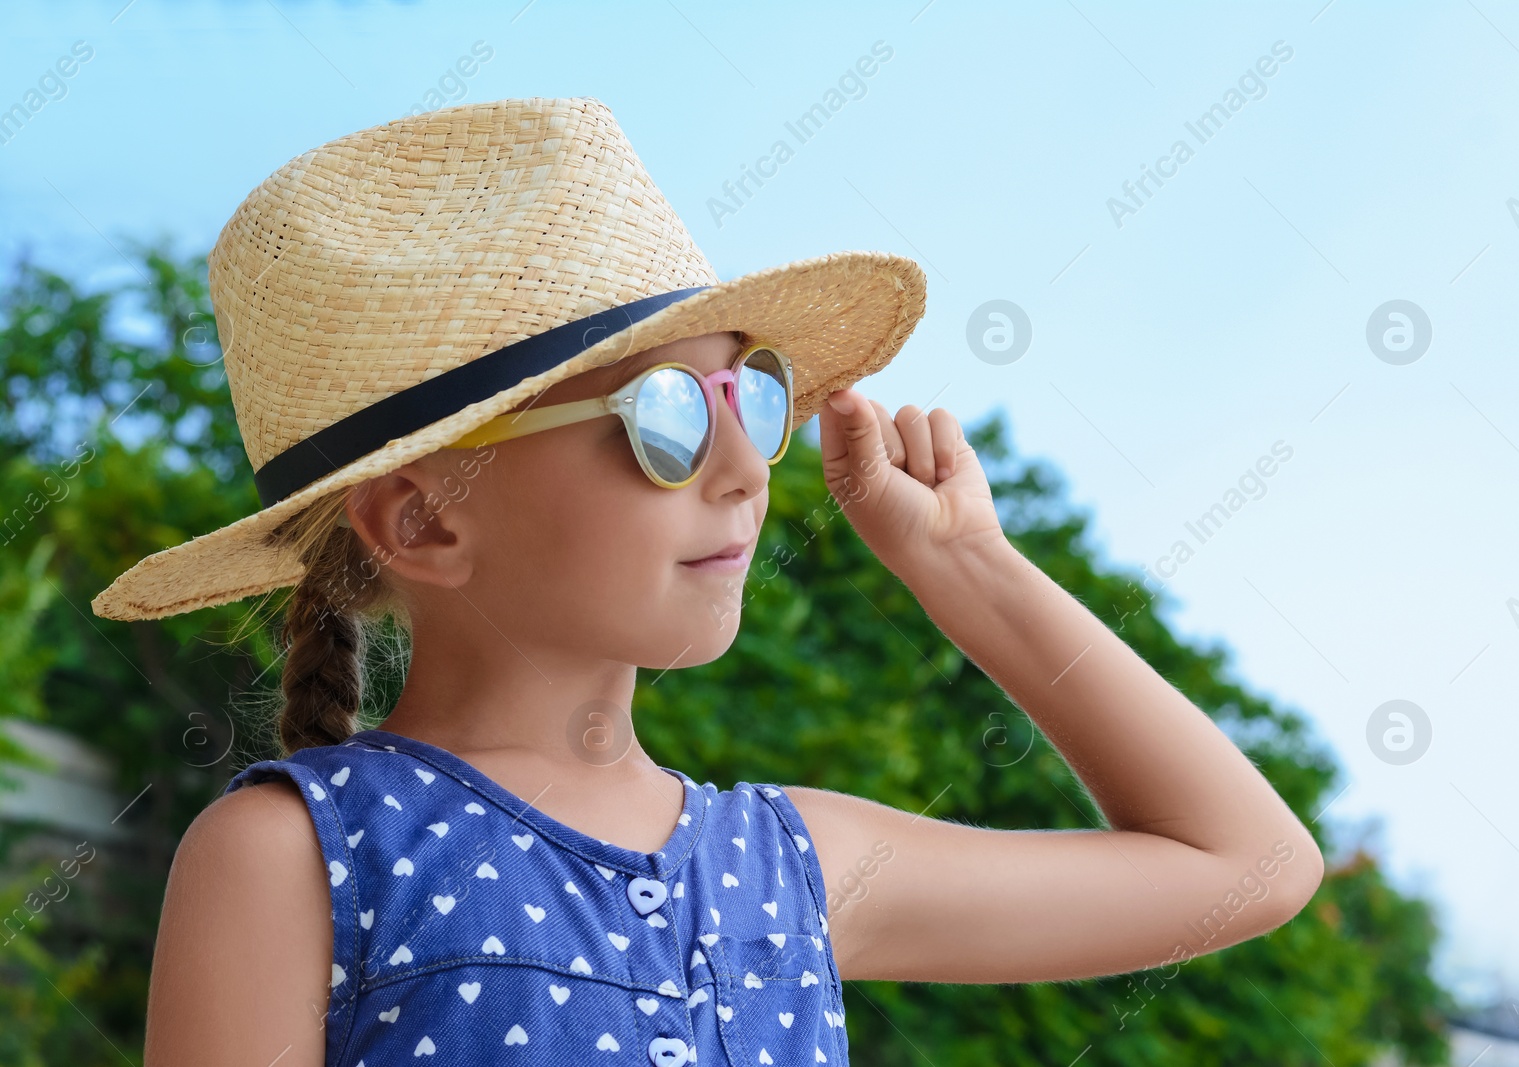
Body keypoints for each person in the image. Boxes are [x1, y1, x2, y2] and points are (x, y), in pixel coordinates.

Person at [93, 97, 1322, 1066]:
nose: (743, 464)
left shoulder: (791, 863)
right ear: (423, 518)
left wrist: (963, 562)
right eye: (666, 417)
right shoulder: (292, 856)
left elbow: (1249, 865)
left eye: (754, 394)